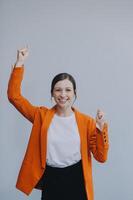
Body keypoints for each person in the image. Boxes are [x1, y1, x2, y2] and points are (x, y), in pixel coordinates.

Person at [7, 47, 109, 200]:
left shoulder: (87, 122)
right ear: (52, 94)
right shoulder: (41, 116)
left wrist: (101, 129)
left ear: (74, 93)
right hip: (51, 179)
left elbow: (101, 157)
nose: (63, 95)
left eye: (68, 90)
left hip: (77, 179)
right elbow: (14, 97)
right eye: (58, 90)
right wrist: (20, 63)